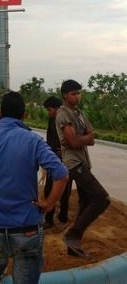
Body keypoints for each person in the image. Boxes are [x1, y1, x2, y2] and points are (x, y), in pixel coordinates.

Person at [0, 91, 68, 284]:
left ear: (0, 114)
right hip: (26, 228)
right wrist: (49, 204)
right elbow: (61, 173)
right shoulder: (34, 140)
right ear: (23, 115)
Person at [55, 79, 110, 258]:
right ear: (65, 95)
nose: (77, 96)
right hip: (74, 164)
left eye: (79, 93)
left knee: (85, 203)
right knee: (102, 198)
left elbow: (92, 138)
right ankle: (73, 234)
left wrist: (82, 138)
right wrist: (81, 138)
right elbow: (73, 141)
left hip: (84, 162)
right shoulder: (63, 114)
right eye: (73, 93)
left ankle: (73, 248)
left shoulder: (79, 113)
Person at [42, 96, 71, 232]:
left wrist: (65, 150)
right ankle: (48, 219)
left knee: (65, 191)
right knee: (49, 189)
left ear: (57, 108)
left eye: (50, 110)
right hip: (52, 160)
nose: (49, 112)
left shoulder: (66, 120)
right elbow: (50, 139)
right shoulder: (51, 120)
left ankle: (63, 219)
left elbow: (73, 138)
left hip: (65, 161)